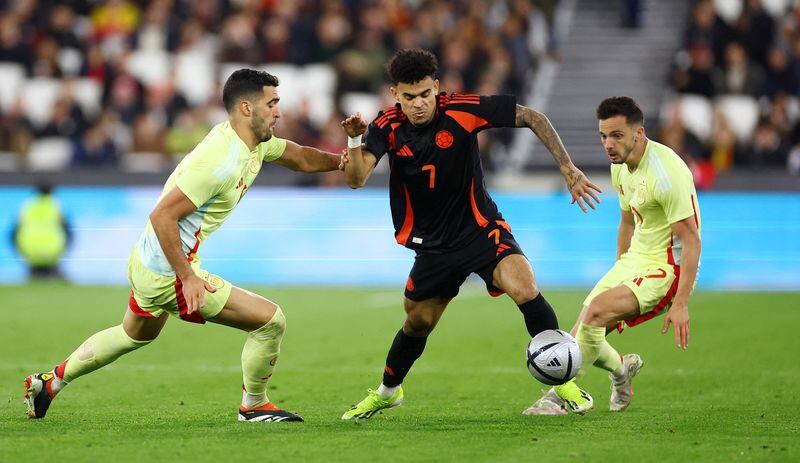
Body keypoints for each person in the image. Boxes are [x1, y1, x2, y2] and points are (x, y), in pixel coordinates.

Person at [23, 69, 345, 423]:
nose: (278, 112)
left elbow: (298, 156)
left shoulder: (254, 143)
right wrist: (187, 277)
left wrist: (340, 161)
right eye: (272, 104)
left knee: (132, 335)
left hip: (146, 261)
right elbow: (163, 215)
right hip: (168, 271)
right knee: (270, 321)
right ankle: (253, 405)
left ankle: (49, 384)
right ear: (246, 108)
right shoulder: (220, 161)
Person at [338, 48, 601, 420]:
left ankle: (563, 384)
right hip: (433, 246)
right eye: (408, 97)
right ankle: (387, 392)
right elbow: (356, 179)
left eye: (425, 94)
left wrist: (568, 167)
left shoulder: (462, 108)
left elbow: (531, 116)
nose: (418, 104)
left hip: (480, 230)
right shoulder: (385, 126)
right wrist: (353, 140)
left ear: (437, 88)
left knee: (525, 288)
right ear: (395, 94)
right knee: (417, 323)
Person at [525, 96, 701, 415]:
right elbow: (626, 221)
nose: (608, 143)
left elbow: (691, 241)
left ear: (639, 132)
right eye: (603, 136)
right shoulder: (620, 167)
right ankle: (622, 370)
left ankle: (560, 398)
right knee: (588, 325)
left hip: (667, 269)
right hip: (635, 260)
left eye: (616, 135)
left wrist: (682, 303)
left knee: (595, 312)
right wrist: (621, 267)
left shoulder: (666, 172)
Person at [12, 182, 72, 279]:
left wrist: (20, 252)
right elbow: (69, 232)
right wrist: (64, 252)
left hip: (29, 250)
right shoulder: (56, 205)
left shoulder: (27, 206)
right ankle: (55, 272)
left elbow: (13, 233)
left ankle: (33, 273)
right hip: (53, 251)